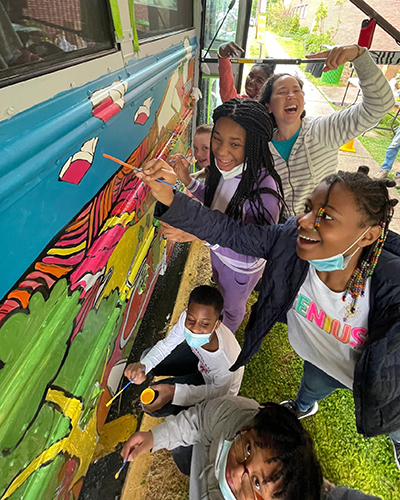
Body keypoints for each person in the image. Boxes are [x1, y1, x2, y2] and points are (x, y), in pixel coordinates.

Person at [134, 161, 400, 471]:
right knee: (313, 384)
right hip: (318, 358)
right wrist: (170, 197)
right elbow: (229, 231)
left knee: (395, 420)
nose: (305, 221)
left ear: (368, 235)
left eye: (325, 217)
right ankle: (302, 406)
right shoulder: (289, 241)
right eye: (308, 208)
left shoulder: (391, 288)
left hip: (371, 376)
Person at [165, 98, 284, 333]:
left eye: (235, 144)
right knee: (219, 285)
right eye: (216, 139)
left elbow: (251, 257)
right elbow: (216, 202)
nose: (221, 151)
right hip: (220, 257)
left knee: (232, 305)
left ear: (254, 145)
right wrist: (187, 180)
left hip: (240, 271)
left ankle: (225, 335)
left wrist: (199, 234)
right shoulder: (225, 170)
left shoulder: (265, 192)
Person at [121, 395, 382, 500]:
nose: (236, 473)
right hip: (200, 466)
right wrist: (156, 437)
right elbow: (201, 420)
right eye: (247, 450)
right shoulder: (239, 416)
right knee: (183, 456)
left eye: (256, 483)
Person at [258, 45, 394, 216]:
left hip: (321, 228)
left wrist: (359, 56)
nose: (291, 95)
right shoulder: (261, 146)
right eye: (282, 92)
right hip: (280, 231)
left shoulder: (324, 129)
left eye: (296, 90)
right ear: (268, 105)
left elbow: (380, 105)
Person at [124, 285, 243, 417]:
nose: (195, 329)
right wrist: (143, 367)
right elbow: (166, 345)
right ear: (187, 312)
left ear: (217, 324)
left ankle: (184, 390)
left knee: (154, 405)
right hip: (199, 360)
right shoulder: (187, 319)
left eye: (204, 324)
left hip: (213, 389)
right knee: (147, 356)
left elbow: (215, 394)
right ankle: (186, 377)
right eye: (191, 320)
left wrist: (174, 391)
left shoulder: (227, 365)